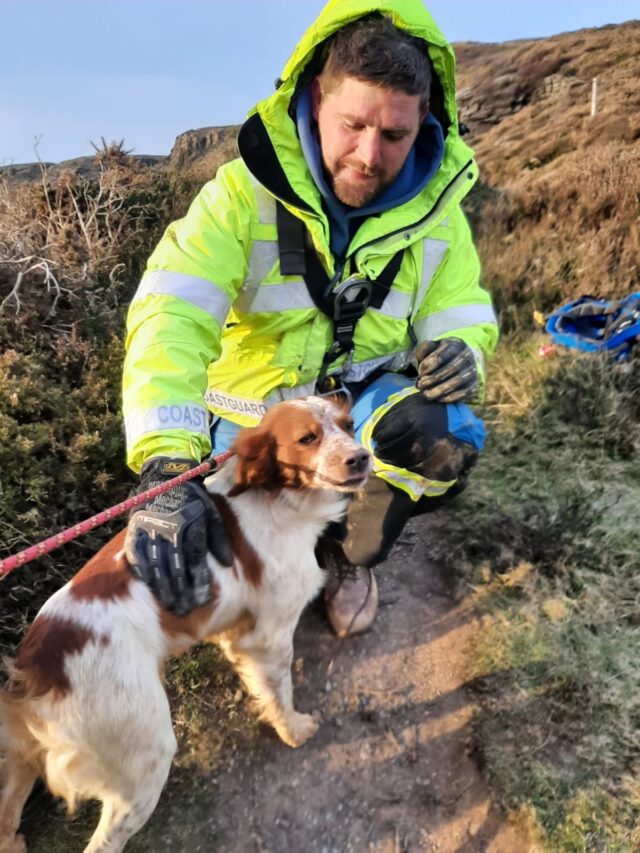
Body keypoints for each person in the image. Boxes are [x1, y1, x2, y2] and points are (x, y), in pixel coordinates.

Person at [122, 0, 499, 636]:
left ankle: (346, 558)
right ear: (318, 98)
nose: (369, 156)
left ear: (424, 120)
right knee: (203, 555)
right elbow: (171, 315)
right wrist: (165, 465)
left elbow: (461, 314)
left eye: (395, 135)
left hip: (363, 408)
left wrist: (463, 351)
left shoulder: (443, 219)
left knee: (439, 436)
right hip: (251, 421)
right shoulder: (237, 198)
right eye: (352, 124)